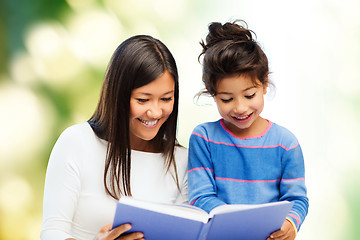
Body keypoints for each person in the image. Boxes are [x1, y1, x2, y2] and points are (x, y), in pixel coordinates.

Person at [40, 35, 188, 240]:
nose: (155, 112)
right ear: (117, 95)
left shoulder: (182, 160)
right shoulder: (77, 142)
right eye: (143, 100)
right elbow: (52, 232)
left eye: (166, 99)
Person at [188, 20, 309, 240]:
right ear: (211, 92)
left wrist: (290, 224)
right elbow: (200, 197)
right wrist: (242, 225)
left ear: (264, 84)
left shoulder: (285, 143)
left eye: (249, 95)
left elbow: (297, 200)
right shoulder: (203, 138)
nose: (240, 108)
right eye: (226, 99)